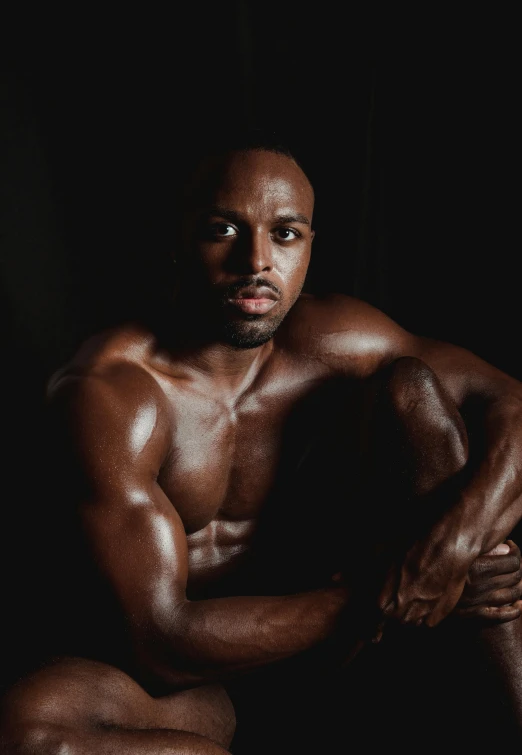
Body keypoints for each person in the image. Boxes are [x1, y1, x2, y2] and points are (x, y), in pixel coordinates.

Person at [2, 128, 522, 752]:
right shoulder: (113, 392)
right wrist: (396, 585)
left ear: (307, 248)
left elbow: (512, 403)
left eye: (284, 234)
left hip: (358, 657)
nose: (256, 262)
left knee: (414, 391)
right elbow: (162, 639)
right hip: (199, 681)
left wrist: (453, 548)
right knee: (33, 735)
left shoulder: (336, 343)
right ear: (177, 240)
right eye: (223, 229)